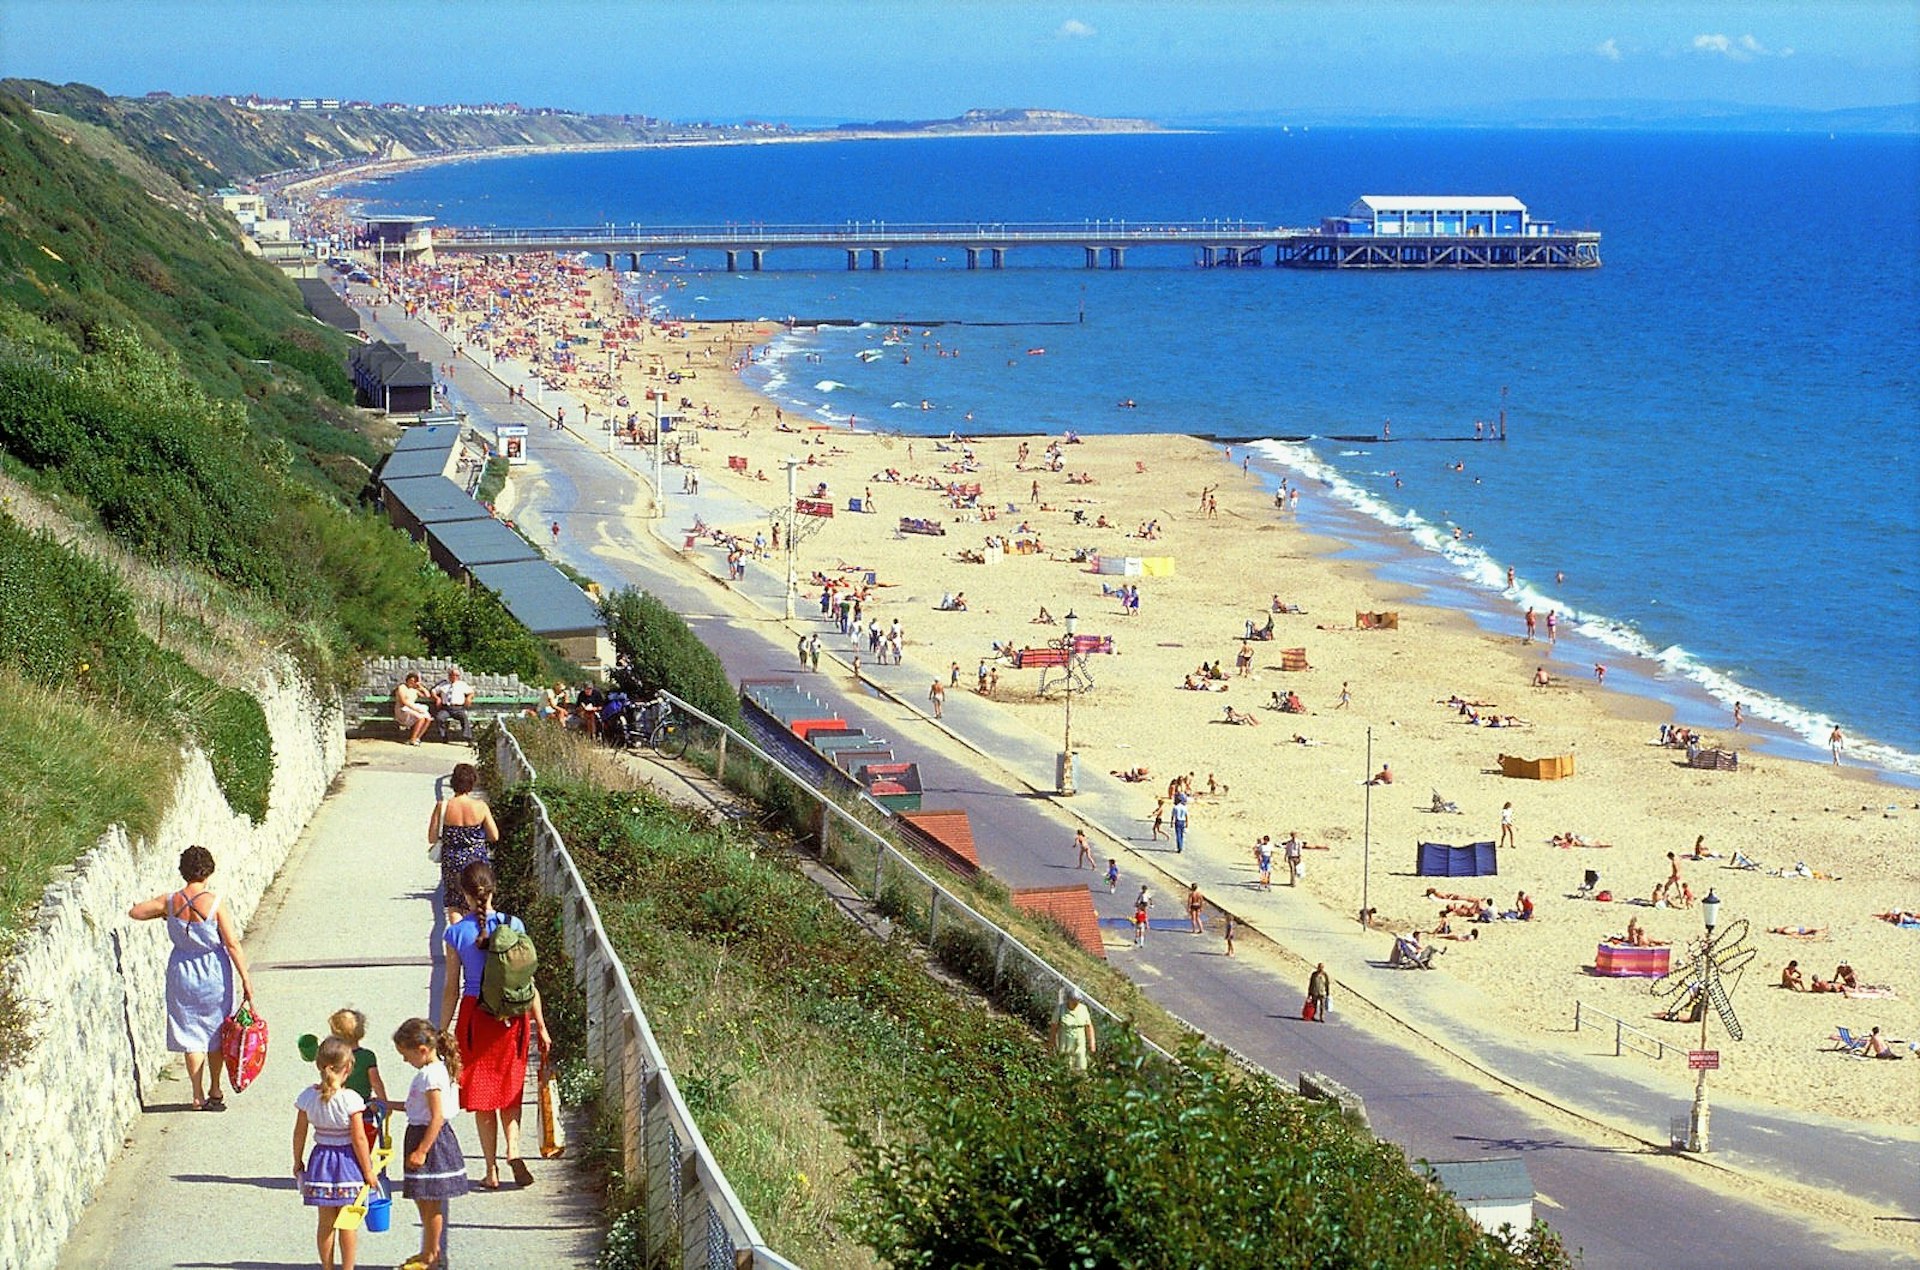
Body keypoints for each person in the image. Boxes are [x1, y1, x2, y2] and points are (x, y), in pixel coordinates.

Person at [440, 863, 551, 1191]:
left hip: (477, 1017)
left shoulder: (455, 934)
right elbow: (527, 983)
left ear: (464, 894)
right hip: (512, 1018)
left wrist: (441, 1030)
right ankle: (513, 1149)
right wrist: (541, 1027)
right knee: (510, 1088)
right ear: (493, 890)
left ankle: (490, 1171)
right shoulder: (514, 924)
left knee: (482, 1096)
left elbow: (451, 988)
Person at [127, 845, 257, 1110]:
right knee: (216, 1030)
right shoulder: (215, 903)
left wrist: (164, 914)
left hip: (181, 970)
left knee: (190, 1033)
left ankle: (196, 1094)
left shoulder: (171, 900)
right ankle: (215, 1089)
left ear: (183, 871)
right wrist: (245, 979)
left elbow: (136, 912)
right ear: (209, 870)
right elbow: (232, 944)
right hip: (213, 971)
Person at [293, 1036, 378, 1270]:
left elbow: (299, 1132)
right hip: (348, 1163)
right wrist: (369, 1171)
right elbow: (359, 1138)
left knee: (325, 1222)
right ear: (349, 1067)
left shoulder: (308, 1097)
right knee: (348, 1222)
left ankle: (327, 1267)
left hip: (321, 1161)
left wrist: (297, 1160)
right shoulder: (351, 1099)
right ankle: (347, 1268)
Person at [392, 1017, 469, 1270]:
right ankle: (428, 1251)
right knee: (423, 1199)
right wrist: (387, 1105)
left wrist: (422, 1150)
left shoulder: (430, 1076)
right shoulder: (434, 1071)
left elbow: (436, 1116)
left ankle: (431, 1256)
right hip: (421, 1134)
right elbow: (417, 1107)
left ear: (422, 1050)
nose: (405, 1061)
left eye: (406, 1055)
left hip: (429, 1141)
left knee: (430, 1200)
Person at [429, 763, 499, 921]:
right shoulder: (480, 807)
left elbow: (432, 838)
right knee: (480, 900)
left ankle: (458, 940)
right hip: (476, 860)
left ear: (453, 782)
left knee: (454, 904)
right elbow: (494, 835)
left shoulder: (443, 806)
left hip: (452, 860)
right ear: (472, 783)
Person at [1051, 988, 1095, 1072]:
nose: (1075, 1003)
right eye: (1073, 1000)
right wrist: (1052, 1043)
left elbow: (1089, 1027)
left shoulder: (1083, 1009)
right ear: (1068, 999)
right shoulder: (1060, 1009)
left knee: (1081, 1065)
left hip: (1079, 1042)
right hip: (1065, 1041)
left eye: (1077, 1000)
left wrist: (1092, 1043)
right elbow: (1054, 1027)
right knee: (1066, 1065)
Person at [431, 668, 475, 742]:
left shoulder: (462, 684)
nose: (454, 677)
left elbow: (471, 692)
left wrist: (469, 698)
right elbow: (433, 691)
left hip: (458, 708)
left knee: (464, 717)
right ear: (449, 675)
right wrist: (437, 698)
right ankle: (443, 736)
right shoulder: (444, 684)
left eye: (456, 675)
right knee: (439, 718)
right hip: (446, 708)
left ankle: (468, 738)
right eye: (452, 675)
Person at [393, 672, 433, 746]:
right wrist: (415, 709)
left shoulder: (415, 690)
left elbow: (427, 695)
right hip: (403, 709)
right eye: (410, 680)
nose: (411, 682)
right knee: (420, 718)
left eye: (414, 681)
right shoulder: (402, 687)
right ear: (407, 680)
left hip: (412, 708)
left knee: (428, 718)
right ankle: (413, 739)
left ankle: (417, 738)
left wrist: (421, 687)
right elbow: (403, 701)